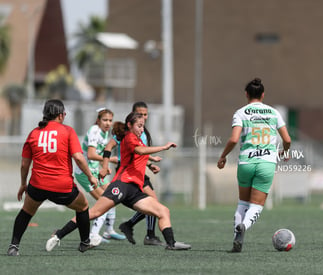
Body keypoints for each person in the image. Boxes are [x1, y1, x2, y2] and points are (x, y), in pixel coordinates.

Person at [46, 112, 191, 250]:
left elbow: (139, 156)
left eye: (143, 126)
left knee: (163, 211)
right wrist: (164, 147)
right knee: (94, 213)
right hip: (122, 185)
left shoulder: (137, 139)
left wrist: (150, 164)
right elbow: (139, 151)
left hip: (134, 190)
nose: (142, 129)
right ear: (129, 125)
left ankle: (171, 243)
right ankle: (58, 235)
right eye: (139, 126)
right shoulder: (129, 137)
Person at [7, 99, 98, 256]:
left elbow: (24, 164)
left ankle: (14, 246)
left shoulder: (34, 133)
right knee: (83, 206)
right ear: (61, 115)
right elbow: (78, 157)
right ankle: (84, 243)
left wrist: (23, 184)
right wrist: (90, 176)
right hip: (62, 186)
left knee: (26, 211)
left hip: (37, 185)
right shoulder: (68, 131)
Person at [217, 77, 291, 253]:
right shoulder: (273, 113)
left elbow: (234, 139)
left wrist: (223, 156)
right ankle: (245, 226)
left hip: (246, 162)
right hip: (266, 163)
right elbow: (287, 139)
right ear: (263, 95)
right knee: (257, 204)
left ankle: (237, 234)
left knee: (243, 201)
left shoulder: (241, 113)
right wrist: (285, 151)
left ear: (246, 94)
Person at [100, 101, 164, 246]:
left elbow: (140, 153)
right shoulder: (126, 132)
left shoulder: (143, 132)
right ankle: (147, 234)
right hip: (126, 172)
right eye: (140, 114)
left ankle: (134, 228)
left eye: (145, 114)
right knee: (152, 203)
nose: (143, 117)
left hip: (138, 172)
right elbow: (109, 146)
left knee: (153, 204)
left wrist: (150, 164)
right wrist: (105, 166)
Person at [73, 108, 125, 244]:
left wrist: (104, 167)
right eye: (105, 120)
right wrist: (110, 160)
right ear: (98, 120)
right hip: (86, 173)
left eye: (110, 120)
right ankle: (93, 235)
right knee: (104, 203)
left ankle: (108, 231)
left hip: (96, 171)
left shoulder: (105, 133)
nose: (108, 123)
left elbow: (99, 155)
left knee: (113, 195)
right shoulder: (95, 131)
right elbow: (90, 155)